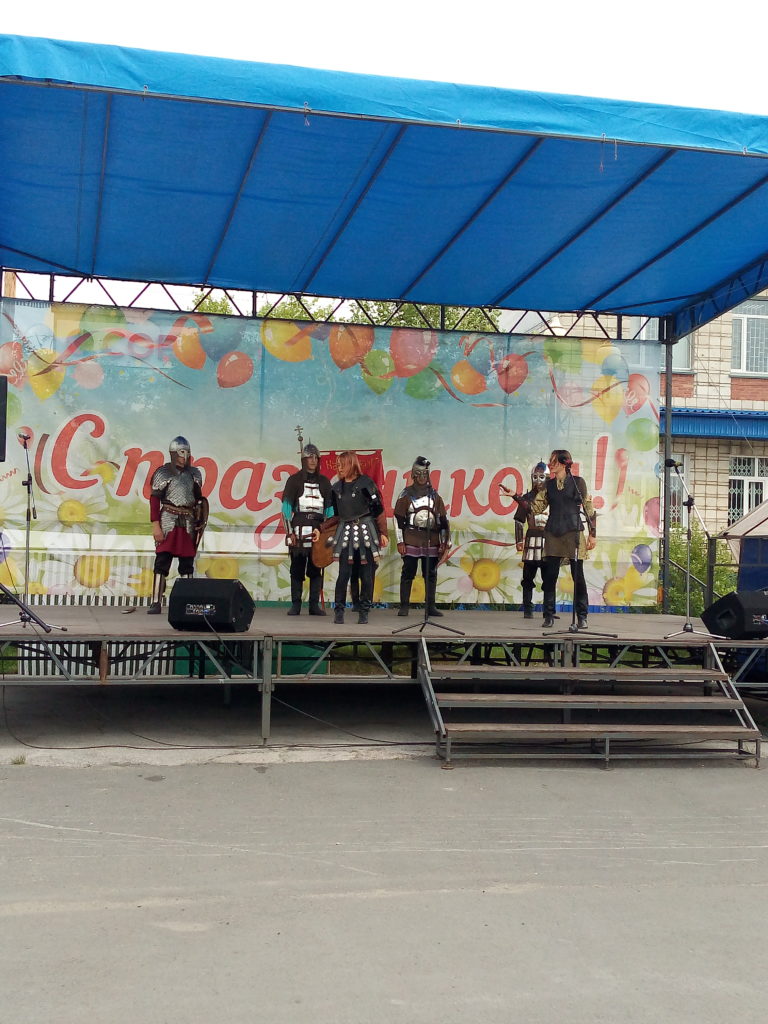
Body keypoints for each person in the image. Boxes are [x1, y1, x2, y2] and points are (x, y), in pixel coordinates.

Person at [529, 449, 596, 629]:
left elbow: (588, 508)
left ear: (563, 463)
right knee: (550, 576)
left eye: (553, 462)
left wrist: (593, 533)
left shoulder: (578, 482)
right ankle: (548, 615)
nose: (550, 465)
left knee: (578, 575)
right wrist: (517, 496)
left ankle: (582, 616)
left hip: (573, 532)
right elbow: (536, 507)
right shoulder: (548, 485)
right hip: (553, 532)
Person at [147, 435, 208, 614]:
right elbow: (154, 500)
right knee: (162, 561)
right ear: (174, 453)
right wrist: (155, 525)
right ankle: (156, 601)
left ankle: (186, 603)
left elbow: (198, 499)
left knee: (187, 563)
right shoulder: (163, 472)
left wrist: (199, 519)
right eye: (181, 452)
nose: (185, 456)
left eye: (187, 452)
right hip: (168, 519)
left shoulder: (194, 474)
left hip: (188, 520)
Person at [331, 451, 388, 625]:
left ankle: (364, 611)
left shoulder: (366, 484)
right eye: (338, 465)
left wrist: (383, 533)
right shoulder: (336, 488)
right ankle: (339, 611)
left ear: (351, 464)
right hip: (345, 533)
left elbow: (378, 510)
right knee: (343, 574)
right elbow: (335, 516)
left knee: (366, 574)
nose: (339, 468)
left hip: (366, 532)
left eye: (342, 464)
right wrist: (320, 528)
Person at [281, 442, 334, 615]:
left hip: (318, 529)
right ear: (304, 460)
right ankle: (296, 604)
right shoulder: (294, 480)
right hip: (298, 528)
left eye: (315, 458)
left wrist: (327, 531)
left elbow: (330, 511)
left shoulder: (325, 482)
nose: (313, 461)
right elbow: (286, 509)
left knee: (316, 567)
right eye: (309, 457)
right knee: (297, 568)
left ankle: (313, 605)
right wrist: (289, 532)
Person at [394, 456, 450, 617]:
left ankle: (430, 606)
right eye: (419, 474)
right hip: (411, 537)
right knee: (408, 573)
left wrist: (444, 542)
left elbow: (442, 520)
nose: (422, 477)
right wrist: (400, 541)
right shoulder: (406, 495)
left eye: (425, 474)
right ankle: (404, 606)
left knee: (430, 574)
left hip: (431, 538)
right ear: (413, 475)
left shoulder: (434, 496)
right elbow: (398, 519)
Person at [509, 461, 549, 619]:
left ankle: (549, 610)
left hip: (548, 541)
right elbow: (519, 520)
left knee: (549, 578)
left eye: (542, 477)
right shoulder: (526, 498)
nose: (538, 480)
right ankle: (527, 608)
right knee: (528, 577)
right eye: (535, 477)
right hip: (532, 538)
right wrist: (519, 541)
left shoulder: (552, 498)